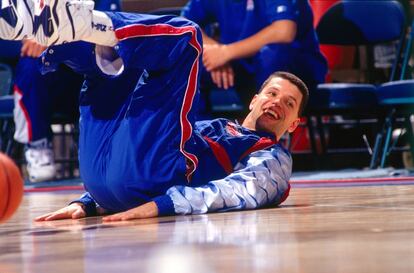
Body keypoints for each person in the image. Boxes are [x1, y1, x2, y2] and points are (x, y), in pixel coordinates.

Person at [0, 0, 308, 220]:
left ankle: (83, 24)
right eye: (272, 93)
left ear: (295, 123)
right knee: (117, 69)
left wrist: (164, 205)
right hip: (100, 180)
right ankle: (45, 31)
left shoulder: (273, 156)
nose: (277, 102)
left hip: (151, 181)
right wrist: (89, 203)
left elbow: (241, 192)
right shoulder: (218, 126)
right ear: (254, 99)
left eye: (289, 103)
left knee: (187, 38)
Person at [12, 0, 121, 183]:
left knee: (111, 65)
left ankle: (109, 146)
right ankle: (37, 146)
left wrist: (52, 39)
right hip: (50, 78)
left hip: (86, 69)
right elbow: (17, 39)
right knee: (29, 66)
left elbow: (111, 32)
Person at [181, 0, 327, 104]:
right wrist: (212, 52)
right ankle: (197, 140)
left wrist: (226, 53)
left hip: (294, 69)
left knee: (272, 55)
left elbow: (284, 31)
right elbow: (185, 26)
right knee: (191, 62)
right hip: (240, 66)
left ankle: (270, 141)